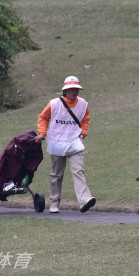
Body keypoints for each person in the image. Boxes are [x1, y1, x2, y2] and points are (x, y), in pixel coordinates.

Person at [35, 75, 96, 214]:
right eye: (71, 89)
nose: (74, 91)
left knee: (78, 171)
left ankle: (85, 200)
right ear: (65, 90)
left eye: (76, 89)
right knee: (56, 175)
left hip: (75, 143)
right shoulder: (54, 103)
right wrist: (42, 133)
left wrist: (83, 134)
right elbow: (43, 117)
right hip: (57, 144)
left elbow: (85, 120)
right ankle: (54, 203)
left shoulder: (83, 104)